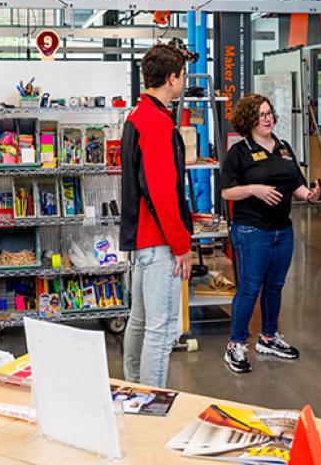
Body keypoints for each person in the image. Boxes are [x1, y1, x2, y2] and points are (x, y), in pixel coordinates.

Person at [220, 93, 320, 374]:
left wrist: (310, 195)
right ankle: (236, 345)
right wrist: (255, 189)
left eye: (269, 114)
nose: (267, 119)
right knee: (250, 287)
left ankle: (269, 337)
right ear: (248, 120)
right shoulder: (239, 152)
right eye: (260, 115)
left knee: (275, 286)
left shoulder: (284, 148)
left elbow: (297, 187)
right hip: (252, 229)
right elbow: (227, 191)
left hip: (281, 230)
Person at [120, 43, 193, 388]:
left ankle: (133, 389)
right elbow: (162, 190)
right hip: (159, 242)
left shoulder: (137, 115)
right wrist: (181, 244)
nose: (183, 82)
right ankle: (149, 403)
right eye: (182, 75)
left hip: (141, 242)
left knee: (140, 322)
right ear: (172, 78)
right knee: (161, 331)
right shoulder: (157, 121)